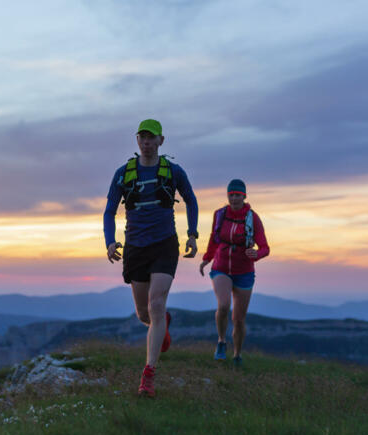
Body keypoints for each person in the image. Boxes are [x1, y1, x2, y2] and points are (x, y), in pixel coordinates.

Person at [104, 119, 199, 397]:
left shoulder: (174, 171)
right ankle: (162, 325)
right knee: (144, 313)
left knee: (156, 304)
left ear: (161, 141)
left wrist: (192, 234)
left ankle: (148, 376)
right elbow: (109, 210)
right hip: (135, 247)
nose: (146, 143)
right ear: (137, 141)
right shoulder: (124, 174)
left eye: (151, 138)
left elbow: (191, 200)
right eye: (142, 138)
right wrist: (110, 242)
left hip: (164, 245)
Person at [199, 179, 269, 366]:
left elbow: (265, 247)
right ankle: (222, 341)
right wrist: (207, 258)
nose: (234, 198)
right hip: (221, 267)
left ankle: (237, 354)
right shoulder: (220, 215)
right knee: (223, 306)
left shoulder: (252, 218)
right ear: (227, 195)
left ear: (244, 196)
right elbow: (214, 239)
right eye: (231, 194)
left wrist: (257, 254)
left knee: (238, 320)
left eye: (238, 195)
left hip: (244, 271)